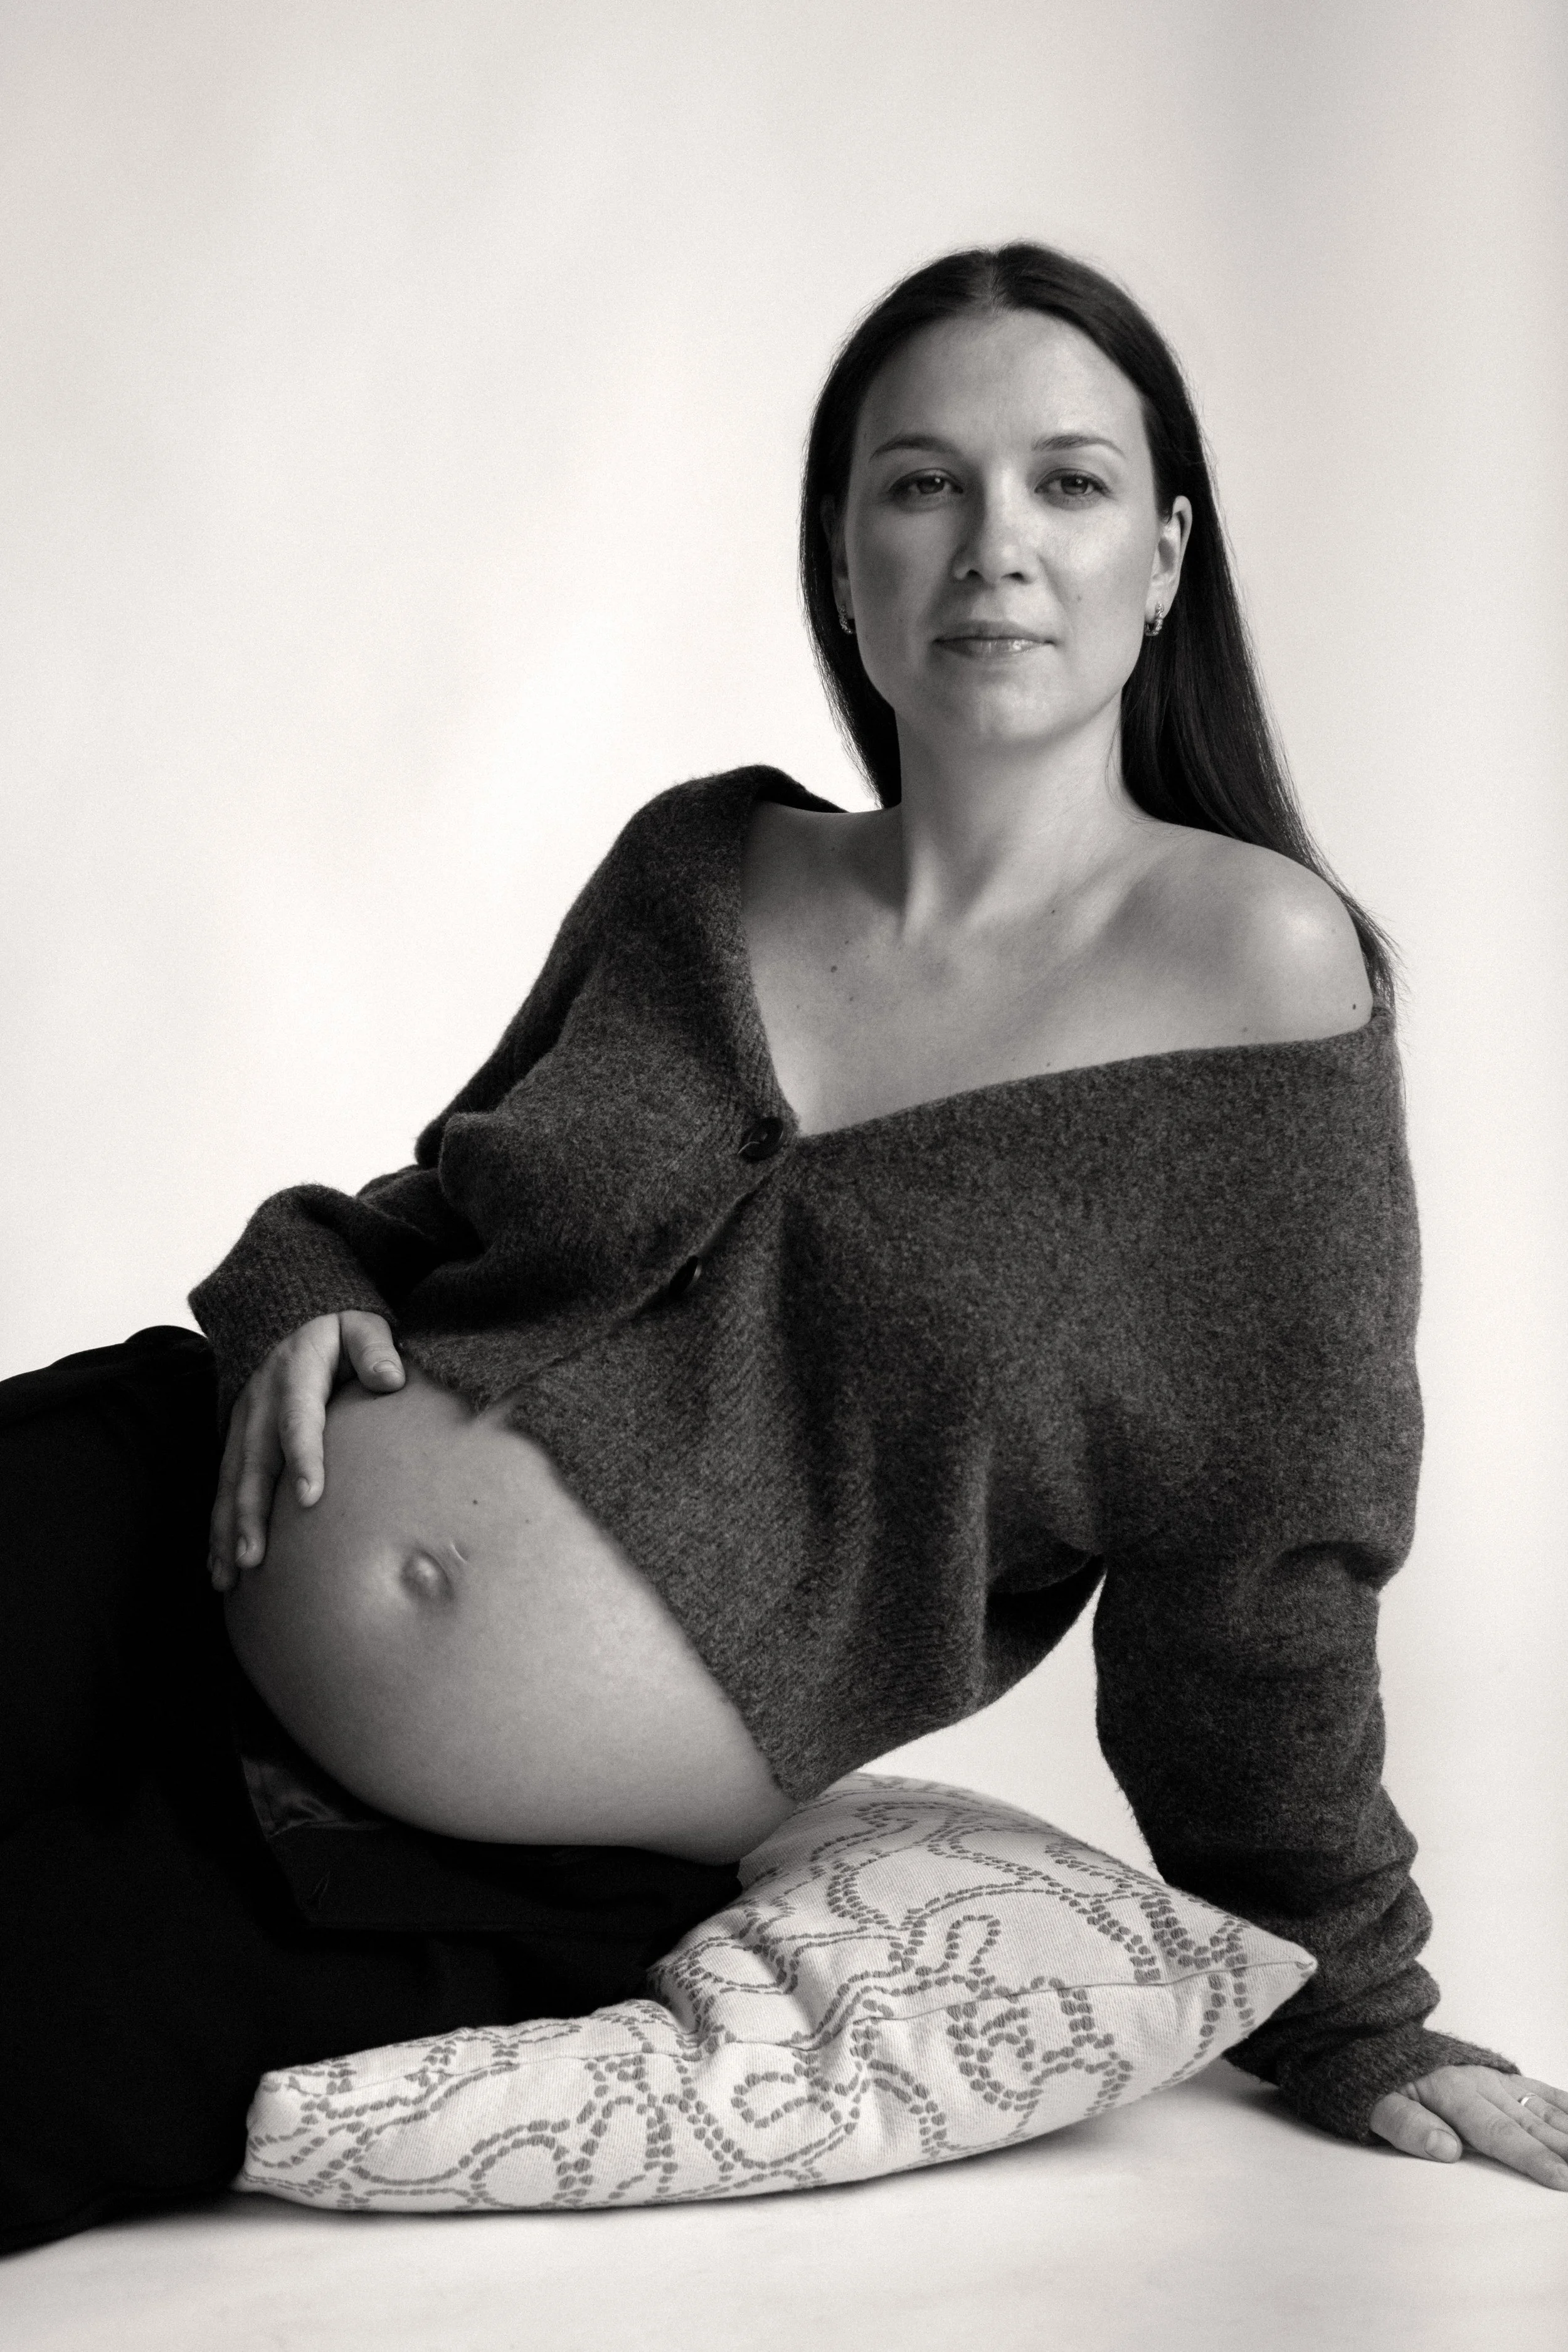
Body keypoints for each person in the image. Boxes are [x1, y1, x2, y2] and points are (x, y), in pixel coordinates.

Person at [3, 242, 1564, 2257]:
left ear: (1164, 556)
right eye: (921, 484)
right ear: (843, 555)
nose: (992, 541)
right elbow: (437, 1210)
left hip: (458, 1864)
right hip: (170, 1510)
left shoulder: (1254, 977)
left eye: (1067, 484)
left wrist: (1358, 2007)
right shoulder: (698, 859)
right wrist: (301, 1285)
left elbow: (1260, 1561)